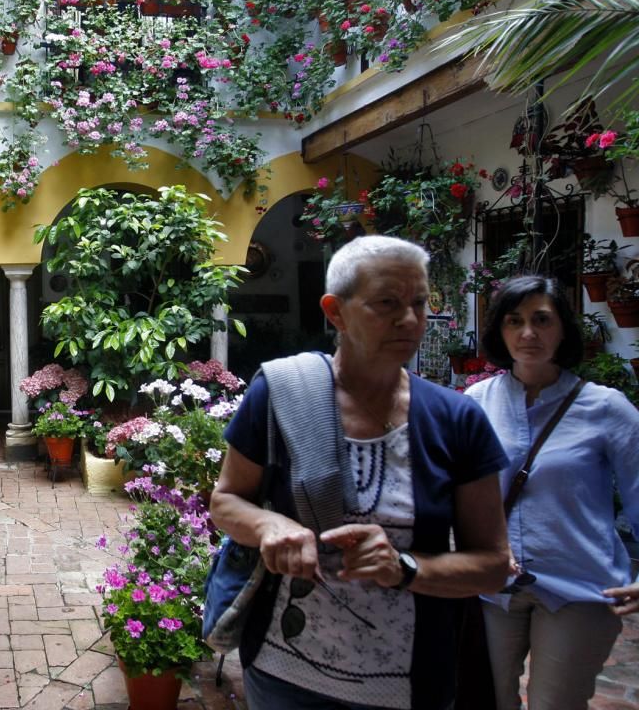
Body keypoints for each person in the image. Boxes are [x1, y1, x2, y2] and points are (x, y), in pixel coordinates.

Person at [211, 235, 511, 710]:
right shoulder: (281, 393)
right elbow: (226, 501)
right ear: (335, 312)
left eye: (419, 302)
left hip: (410, 681)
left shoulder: (457, 421)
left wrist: (406, 568)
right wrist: (271, 524)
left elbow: (493, 566)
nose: (410, 320)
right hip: (285, 671)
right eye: (386, 303)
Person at [464, 275, 639, 710]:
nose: (528, 333)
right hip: (491, 588)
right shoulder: (474, 403)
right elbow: (454, 494)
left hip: (578, 585)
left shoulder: (605, 407)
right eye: (514, 320)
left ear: (563, 328)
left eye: (542, 320)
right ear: (498, 331)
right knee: (485, 700)